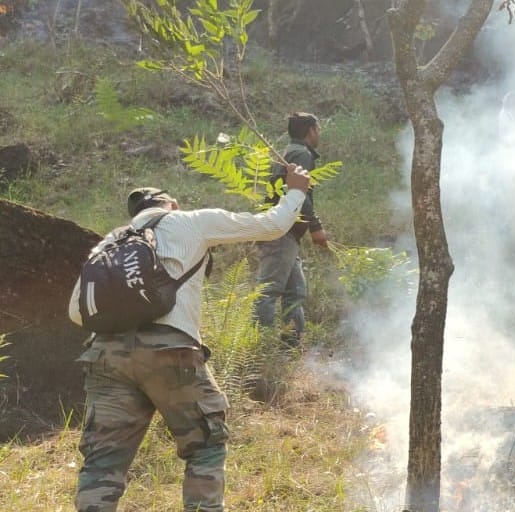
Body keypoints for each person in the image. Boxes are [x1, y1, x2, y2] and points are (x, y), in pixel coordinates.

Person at [68, 164, 312, 512]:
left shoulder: (110, 242)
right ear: (173, 205)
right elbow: (272, 226)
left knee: (102, 464)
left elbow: (77, 312)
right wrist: (297, 190)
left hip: (106, 357)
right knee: (205, 446)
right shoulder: (190, 222)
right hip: (171, 352)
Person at [255, 112, 329, 345]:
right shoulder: (301, 154)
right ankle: (260, 350)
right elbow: (297, 193)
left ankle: (291, 346)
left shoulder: (291, 151)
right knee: (268, 292)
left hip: (287, 233)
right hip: (281, 231)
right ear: (311, 131)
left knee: (295, 292)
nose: (319, 133)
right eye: (318, 129)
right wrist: (316, 227)